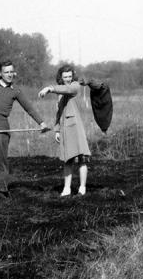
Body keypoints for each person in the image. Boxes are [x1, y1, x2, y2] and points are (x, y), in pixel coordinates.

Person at [0, 60, 49, 200]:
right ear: (0, 73)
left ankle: (1, 190)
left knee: (2, 160)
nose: (9, 75)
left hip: (2, 127)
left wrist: (42, 123)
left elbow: (29, 108)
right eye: (6, 72)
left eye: (11, 72)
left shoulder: (16, 90)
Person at [38, 64, 91, 197]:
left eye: (69, 76)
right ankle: (67, 188)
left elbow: (67, 89)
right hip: (66, 129)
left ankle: (82, 187)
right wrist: (56, 130)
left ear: (72, 76)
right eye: (65, 77)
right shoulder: (60, 93)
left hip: (76, 127)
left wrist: (49, 88)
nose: (68, 79)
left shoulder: (74, 86)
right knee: (68, 160)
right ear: (60, 78)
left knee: (81, 158)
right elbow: (59, 113)